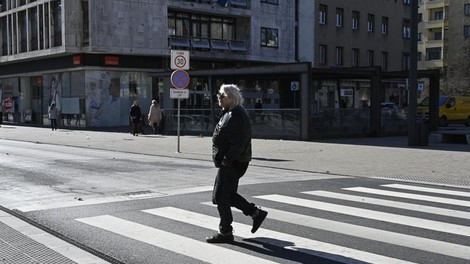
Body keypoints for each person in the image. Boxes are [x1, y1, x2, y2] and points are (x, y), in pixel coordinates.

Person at [206, 84, 268, 244]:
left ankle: (226, 232)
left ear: (232, 98)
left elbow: (239, 143)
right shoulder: (230, 112)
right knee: (228, 195)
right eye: (219, 94)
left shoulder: (235, 115)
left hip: (233, 163)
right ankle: (255, 213)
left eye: (223, 95)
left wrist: (227, 159)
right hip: (232, 162)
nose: (219, 97)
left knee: (220, 197)